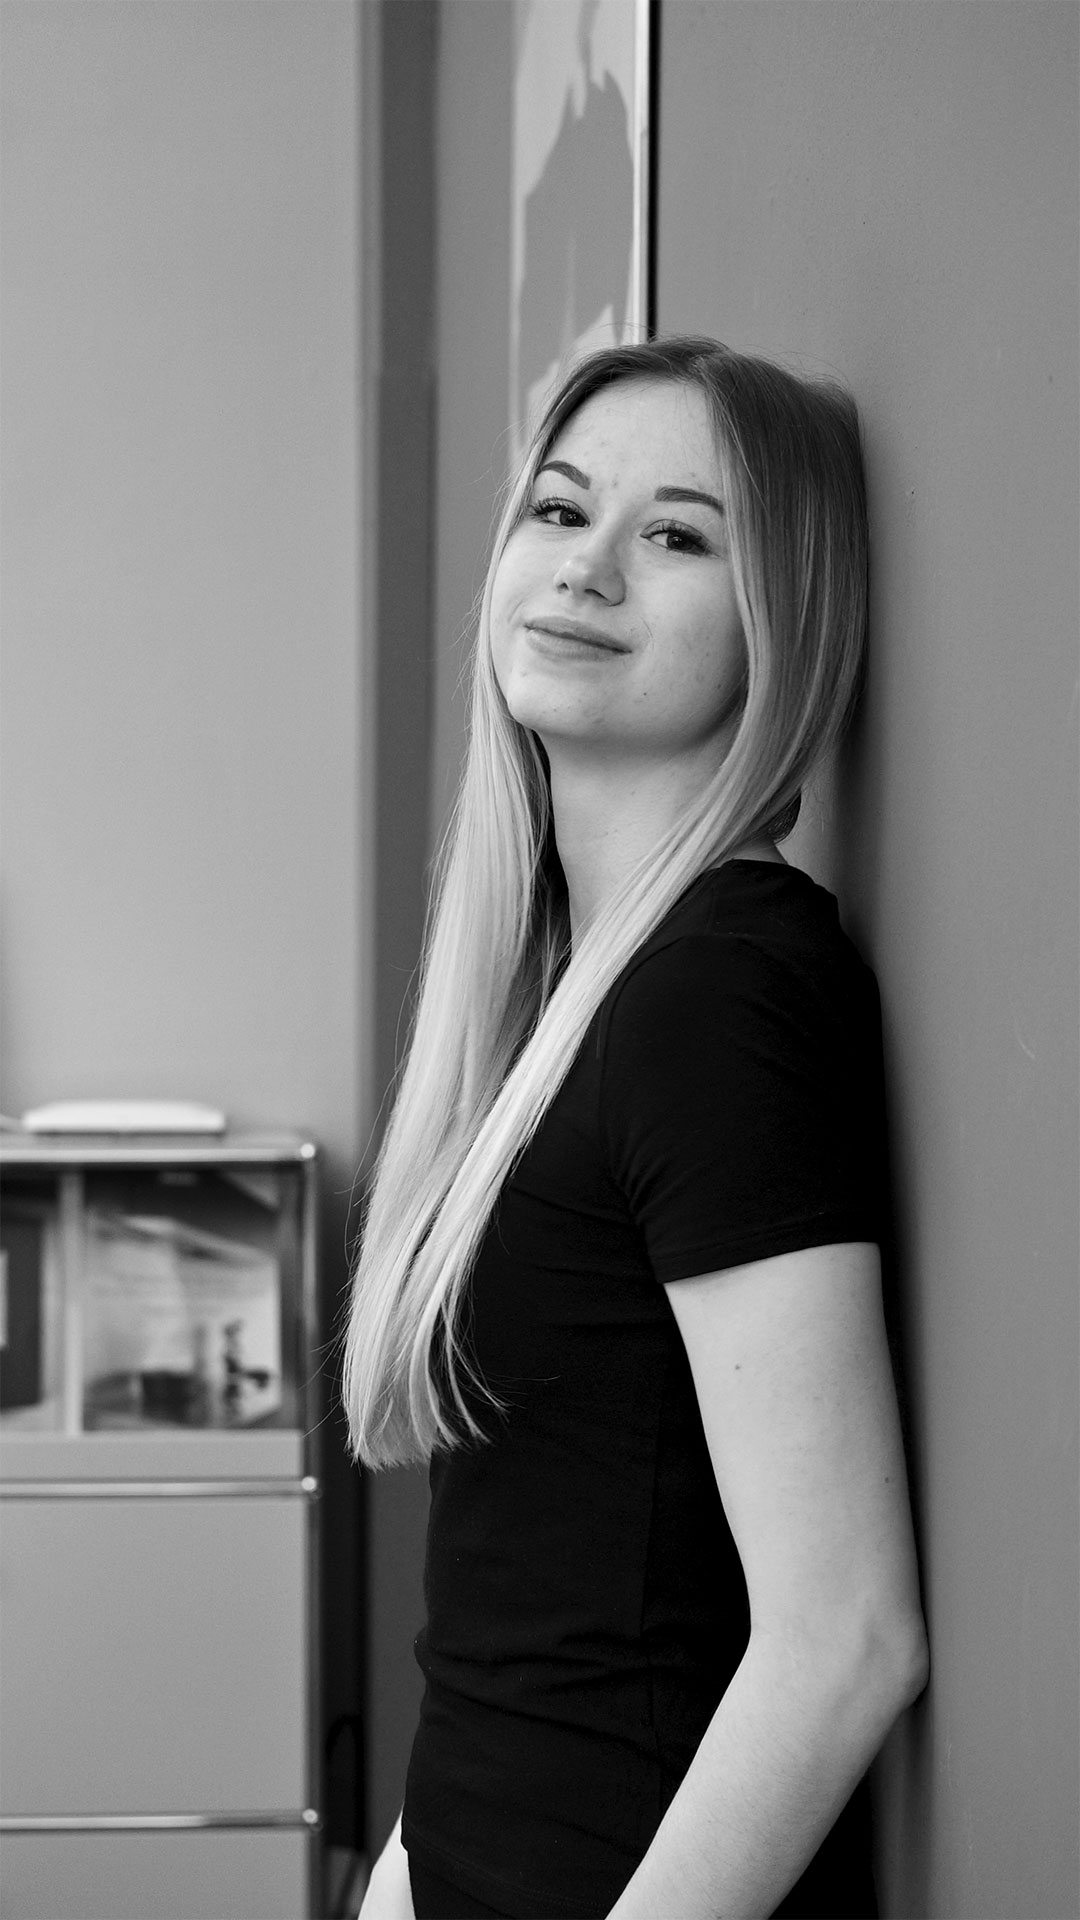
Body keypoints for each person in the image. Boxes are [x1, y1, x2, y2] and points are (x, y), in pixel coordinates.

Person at [345, 336, 929, 1920]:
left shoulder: (718, 993)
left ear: (779, 622)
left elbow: (845, 1641)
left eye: (676, 535)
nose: (586, 567)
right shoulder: (566, 993)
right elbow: (520, 1601)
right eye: (558, 510)